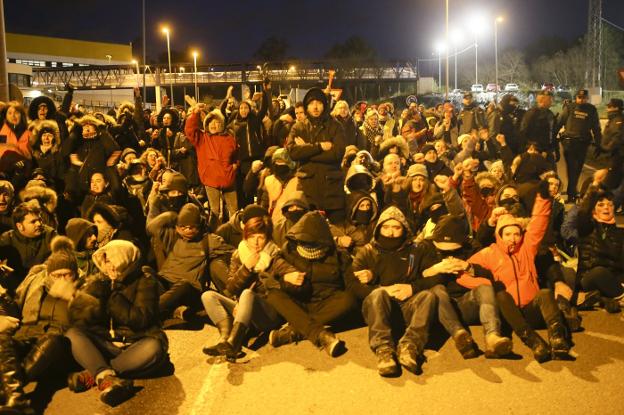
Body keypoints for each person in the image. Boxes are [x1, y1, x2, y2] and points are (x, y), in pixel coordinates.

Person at [467, 183, 571, 362]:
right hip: (510, 314)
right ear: (499, 235)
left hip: (531, 310)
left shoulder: (527, 248)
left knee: (545, 293)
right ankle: (534, 342)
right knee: (500, 295)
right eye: (507, 234)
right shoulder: (489, 252)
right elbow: (463, 272)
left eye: (516, 234)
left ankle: (558, 339)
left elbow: (539, 223)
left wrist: (544, 198)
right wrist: (484, 285)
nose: (513, 238)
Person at [65, 240, 168, 407]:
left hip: (137, 342)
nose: (108, 266)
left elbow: (140, 320)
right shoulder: (100, 282)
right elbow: (86, 321)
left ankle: (98, 373)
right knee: (73, 333)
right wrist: (84, 300)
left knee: (154, 348)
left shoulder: (146, 281)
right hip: (110, 343)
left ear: (125, 259)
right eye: (105, 261)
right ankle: (107, 376)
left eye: (112, 259)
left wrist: (112, 294)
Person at [350, 206, 437, 376]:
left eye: (396, 228)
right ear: (379, 228)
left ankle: (410, 346)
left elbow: (434, 277)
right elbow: (352, 286)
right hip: (379, 310)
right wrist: (378, 286)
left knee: (428, 296)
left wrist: (412, 287)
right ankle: (384, 350)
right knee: (378, 294)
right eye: (386, 227)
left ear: (404, 229)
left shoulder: (416, 249)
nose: (390, 233)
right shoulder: (367, 252)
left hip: (406, 305)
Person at [0, 236, 80, 413]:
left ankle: (7, 392)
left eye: (67, 274)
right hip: (28, 336)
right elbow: (15, 308)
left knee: (52, 340)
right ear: (48, 274)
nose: (62, 278)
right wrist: (3, 294)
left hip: (60, 347)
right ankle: (16, 397)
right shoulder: (36, 286)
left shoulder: (84, 289)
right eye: (57, 275)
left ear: (75, 273)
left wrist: (73, 297)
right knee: (2, 338)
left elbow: (94, 316)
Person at [201, 215, 297, 360]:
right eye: (252, 237)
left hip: (269, 312)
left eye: (261, 237)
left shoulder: (275, 255)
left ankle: (234, 343)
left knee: (247, 293)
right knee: (208, 296)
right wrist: (246, 268)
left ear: (268, 238)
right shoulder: (239, 254)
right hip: (244, 309)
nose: (256, 242)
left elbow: (283, 286)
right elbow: (230, 288)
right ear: (246, 236)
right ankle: (225, 339)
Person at [265, 212, 356, 357]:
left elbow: (351, 284)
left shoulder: (338, 255)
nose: (305, 244)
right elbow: (273, 271)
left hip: (327, 303)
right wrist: (286, 277)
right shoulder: (289, 249)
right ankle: (320, 334)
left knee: (348, 300)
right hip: (299, 300)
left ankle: (295, 331)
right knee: (274, 295)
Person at [147, 203, 233, 317]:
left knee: (183, 285)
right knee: (146, 270)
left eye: (191, 227)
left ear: (199, 225)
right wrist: (171, 215)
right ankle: (171, 310)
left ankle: (148, 314)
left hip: (189, 288)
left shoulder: (208, 241)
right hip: (166, 281)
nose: (187, 230)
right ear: (177, 227)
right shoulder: (172, 236)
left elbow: (232, 252)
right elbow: (151, 227)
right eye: (183, 227)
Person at [286, 88, 346, 224]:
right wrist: (318, 147)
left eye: (319, 103)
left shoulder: (336, 126)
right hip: (307, 190)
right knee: (307, 230)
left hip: (332, 191)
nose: (315, 106)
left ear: (324, 105)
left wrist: (306, 150)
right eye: (311, 103)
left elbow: (337, 154)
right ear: (306, 106)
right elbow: (293, 152)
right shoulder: (299, 127)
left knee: (337, 231)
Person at [185, 108, 239, 221]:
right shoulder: (201, 138)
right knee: (214, 210)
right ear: (206, 124)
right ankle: (215, 232)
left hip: (228, 178)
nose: (214, 125)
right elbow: (190, 130)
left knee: (234, 210)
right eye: (211, 122)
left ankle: (235, 233)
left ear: (222, 124)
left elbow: (236, 155)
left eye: (217, 122)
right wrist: (194, 114)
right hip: (210, 178)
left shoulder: (229, 139)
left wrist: (235, 166)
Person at [576, 187, 624, 313]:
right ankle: (618, 296)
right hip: (589, 277)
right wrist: (594, 188)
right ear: (593, 209)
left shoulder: (620, 232)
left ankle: (606, 297)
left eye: (610, 205)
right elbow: (582, 213)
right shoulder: (587, 227)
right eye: (601, 205)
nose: (606, 208)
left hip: (612, 279)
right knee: (599, 272)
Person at [0, 201, 56, 293]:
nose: (39, 224)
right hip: (15, 287)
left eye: (40, 220)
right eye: (33, 221)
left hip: (42, 285)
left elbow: (59, 257)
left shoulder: (50, 235)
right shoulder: (6, 239)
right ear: (20, 226)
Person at [557, 89, 602, 202]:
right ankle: (572, 193)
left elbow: (596, 128)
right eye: (579, 97)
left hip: (583, 144)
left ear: (587, 98)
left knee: (577, 169)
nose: (581, 100)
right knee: (572, 168)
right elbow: (559, 122)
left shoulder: (591, 110)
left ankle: (572, 191)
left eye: (584, 98)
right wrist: (552, 139)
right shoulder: (569, 108)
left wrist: (598, 144)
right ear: (576, 97)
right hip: (569, 143)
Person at [519, 90, 557, 169]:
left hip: (547, 150)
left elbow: (552, 133)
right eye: (549, 99)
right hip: (535, 150)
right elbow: (523, 132)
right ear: (542, 100)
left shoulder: (550, 114)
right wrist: (532, 147)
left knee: (551, 174)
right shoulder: (531, 113)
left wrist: (554, 149)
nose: (551, 101)